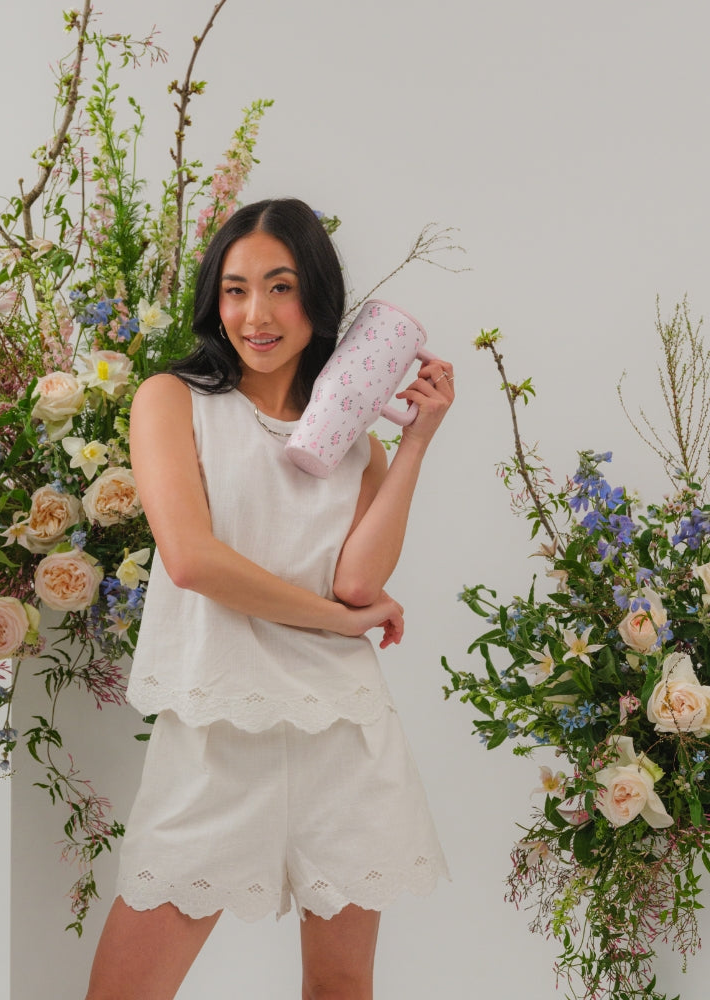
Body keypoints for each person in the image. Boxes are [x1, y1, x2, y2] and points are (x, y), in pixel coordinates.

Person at [85, 198, 454, 1000]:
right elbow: (192, 561)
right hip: (218, 732)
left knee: (341, 987)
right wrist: (339, 622)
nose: (256, 314)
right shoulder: (171, 401)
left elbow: (359, 581)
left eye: (280, 288)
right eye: (236, 289)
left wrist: (415, 442)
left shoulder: (355, 442)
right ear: (214, 302)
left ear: (317, 298)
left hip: (343, 735)